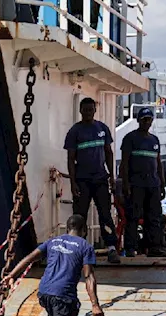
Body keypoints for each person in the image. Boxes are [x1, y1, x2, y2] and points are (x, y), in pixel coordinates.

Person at [64, 98, 121, 265]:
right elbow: (70, 159)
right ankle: (77, 250)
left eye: (91, 109)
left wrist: (112, 175)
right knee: (79, 216)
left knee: (105, 214)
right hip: (82, 180)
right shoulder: (75, 132)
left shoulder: (102, 129)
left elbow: (109, 153)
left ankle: (111, 248)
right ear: (80, 111)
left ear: (95, 110)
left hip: (101, 179)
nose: (88, 112)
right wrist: (73, 182)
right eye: (85, 110)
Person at [119, 106, 166, 258]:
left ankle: (154, 247)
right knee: (133, 217)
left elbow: (158, 163)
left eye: (149, 119)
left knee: (154, 217)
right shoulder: (130, 138)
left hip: (153, 185)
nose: (147, 122)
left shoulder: (154, 140)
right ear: (139, 121)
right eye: (144, 120)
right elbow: (124, 163)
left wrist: (162, 183)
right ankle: (130, 248)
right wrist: (126, 184)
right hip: (136, 184)